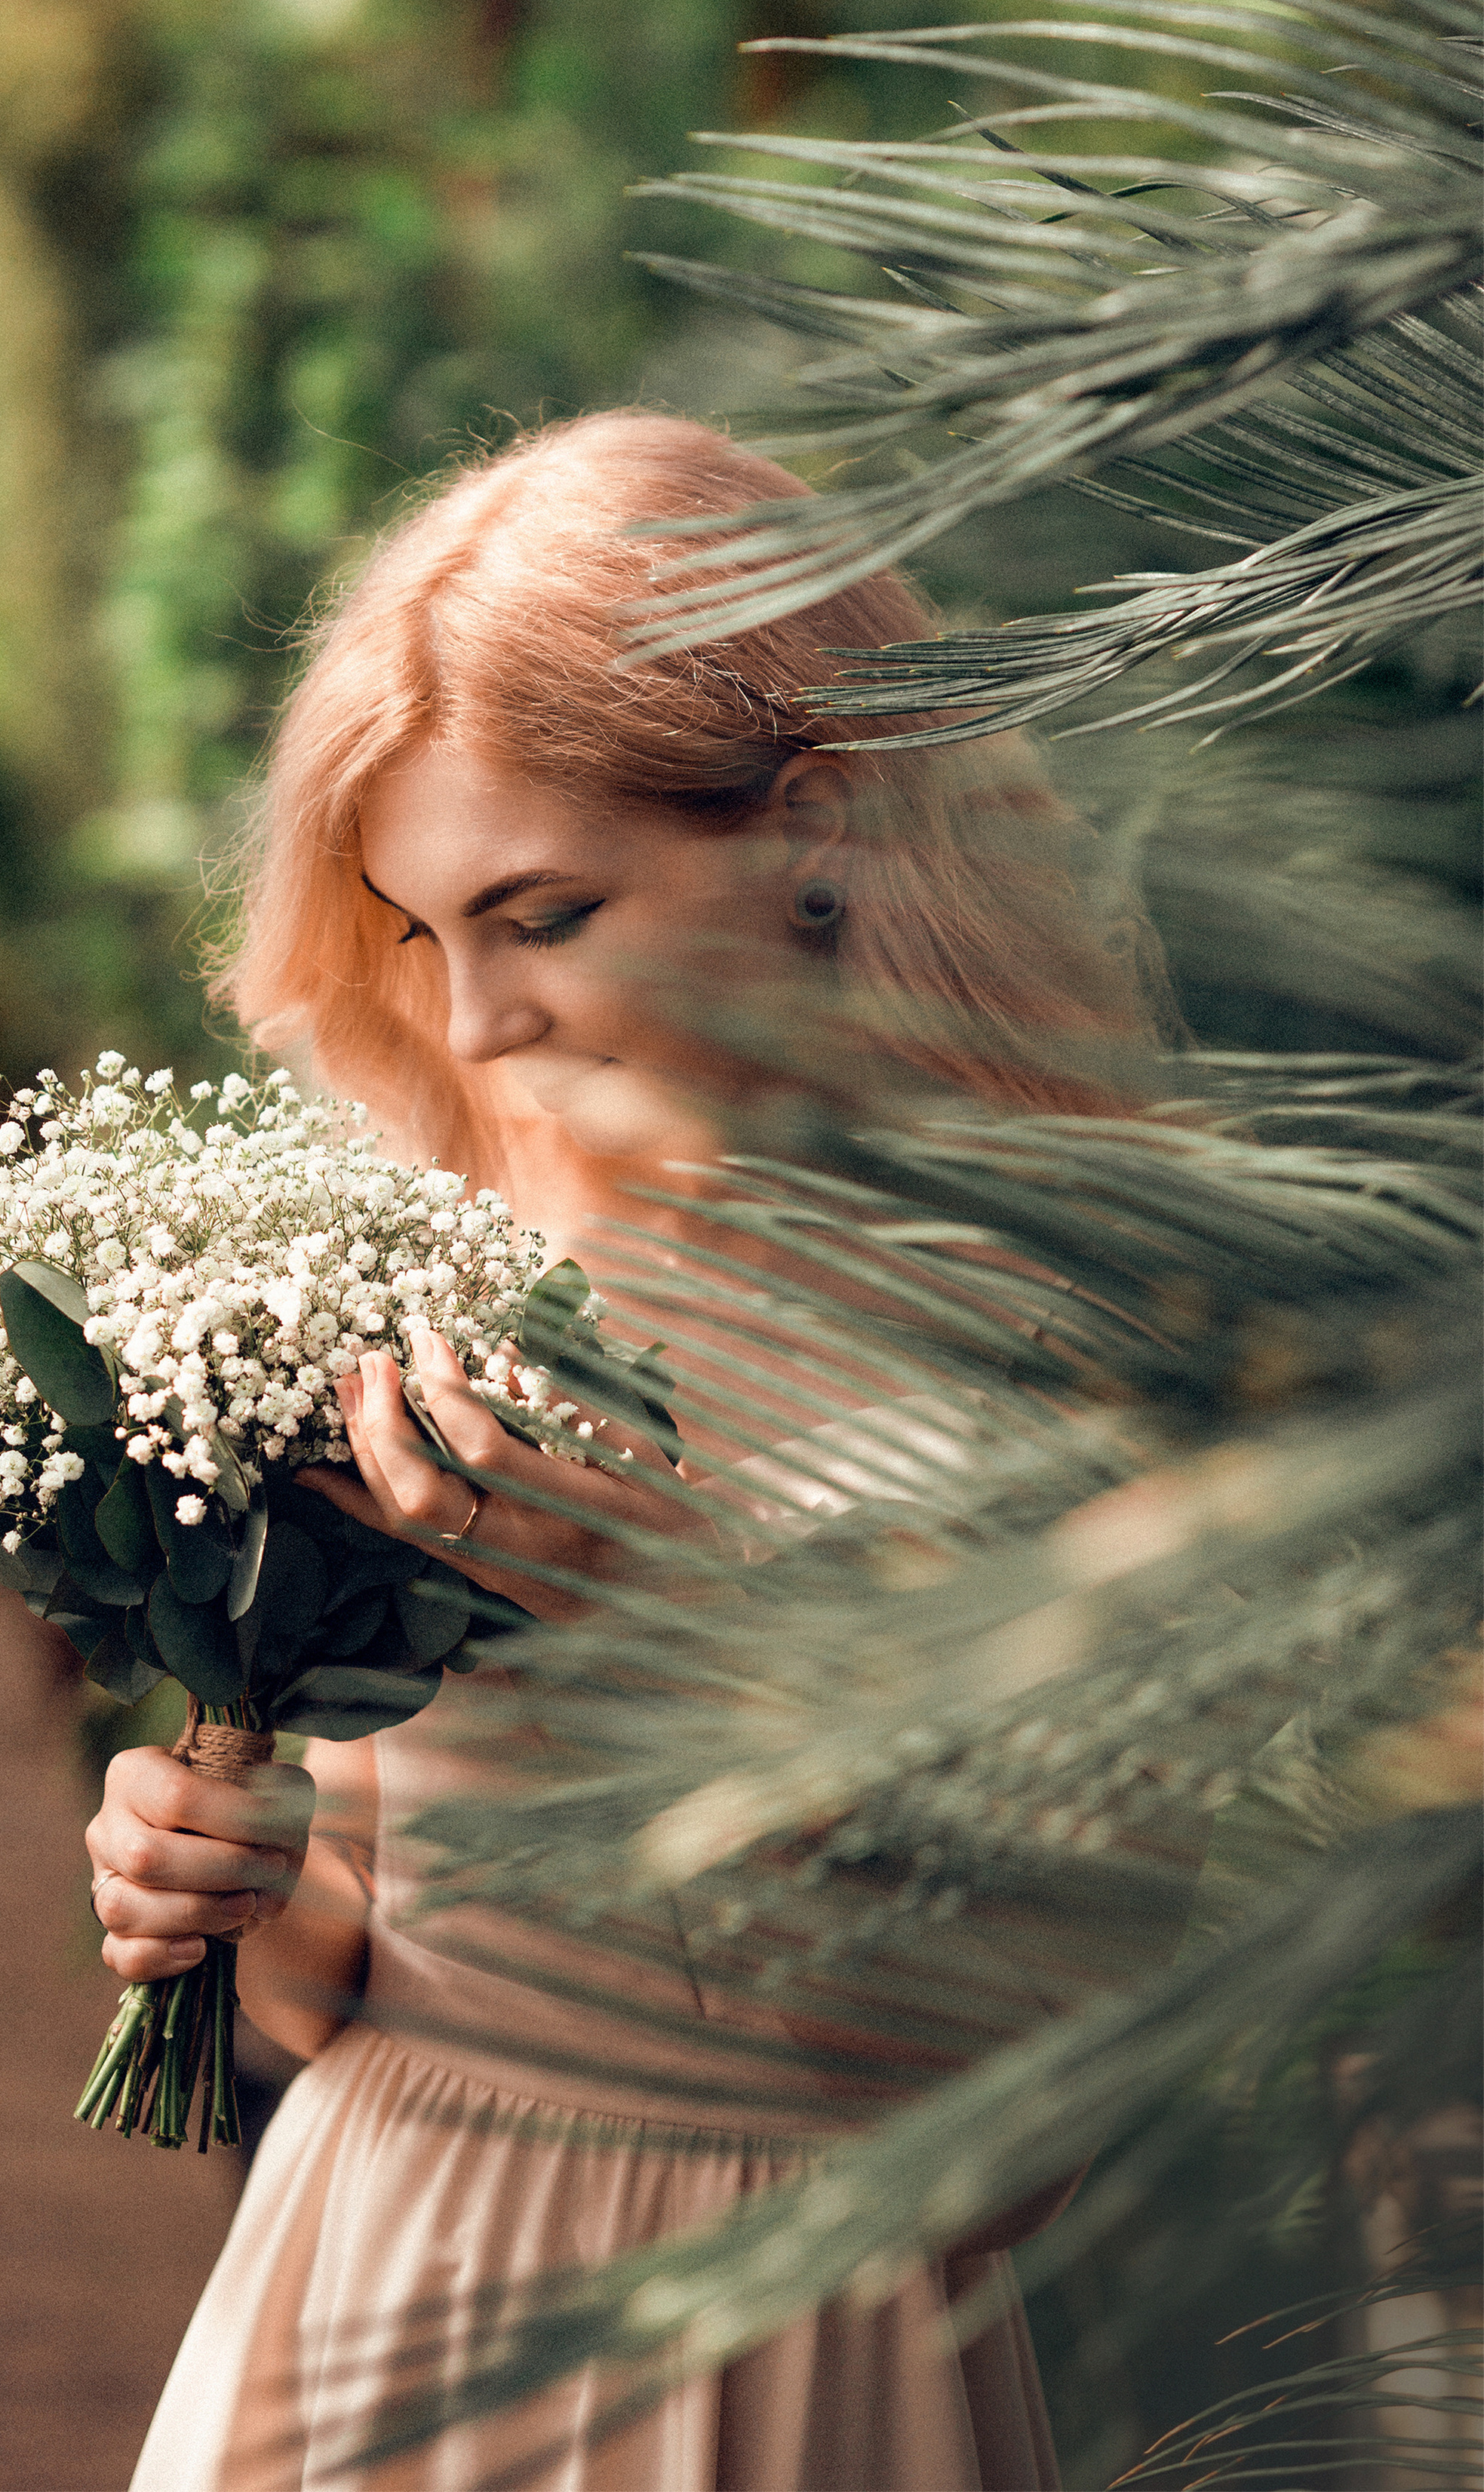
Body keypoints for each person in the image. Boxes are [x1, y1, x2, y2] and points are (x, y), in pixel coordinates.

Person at [88, 413, 1178, 2492]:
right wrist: (228, 1886)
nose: (477, 1019)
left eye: (546, 913)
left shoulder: (1047, 1337)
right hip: (376, 2285)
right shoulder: (453, 1275)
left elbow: (1024, 2148)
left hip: (788, 2349)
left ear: (817, 824)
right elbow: (369, 1969)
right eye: (423, 932)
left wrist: (676, 1639)